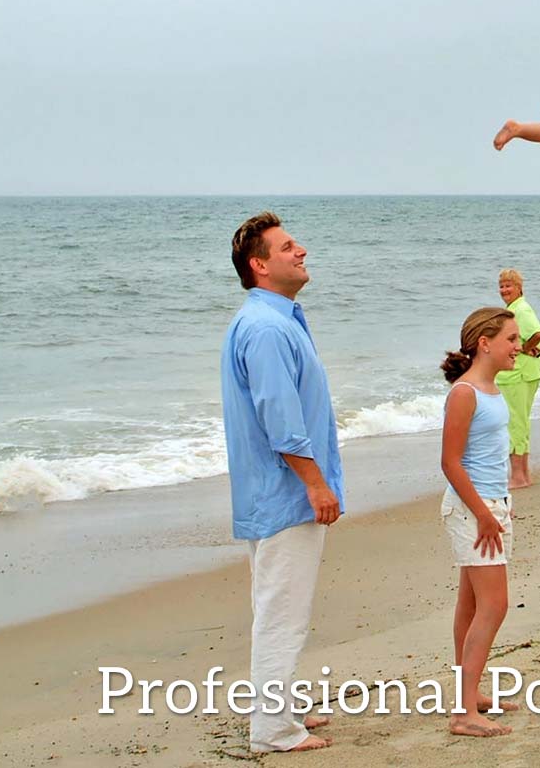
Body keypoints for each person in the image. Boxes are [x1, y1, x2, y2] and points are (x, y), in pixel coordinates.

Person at [220, 211, 344, 753]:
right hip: (284, 492)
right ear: (260, 265)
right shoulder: (267, 327)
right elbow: (280, 418)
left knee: (276, 603)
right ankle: (271, 729)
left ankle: (281, 709)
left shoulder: (278, 318)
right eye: (288, 246)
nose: (303, 251)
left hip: (273, 491)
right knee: (281, 612)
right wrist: (316, 485)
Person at [438, 306, 523, 737]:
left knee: (471, 605)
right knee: (495, 605)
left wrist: (501, 505)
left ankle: (468, 697)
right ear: (484, 343)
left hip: (492, 504)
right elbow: (450, 463)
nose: (518, 346)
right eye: (511, 338)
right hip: (473, 509)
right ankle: (463, 714)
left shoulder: (492, 389)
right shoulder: (464, 393)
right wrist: (485, 515)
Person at [495, 268, 540, 489]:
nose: (505, 290)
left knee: (514, 422)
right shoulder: (514, 309)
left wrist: (524, 348)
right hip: (524, 372)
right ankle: (523, 475)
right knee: (520, 422)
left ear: (519, 287)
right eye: (502, 286)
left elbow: (537, 333)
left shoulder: (520, 310)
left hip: (520, 374)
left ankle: (518, 477)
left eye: (509, 285)